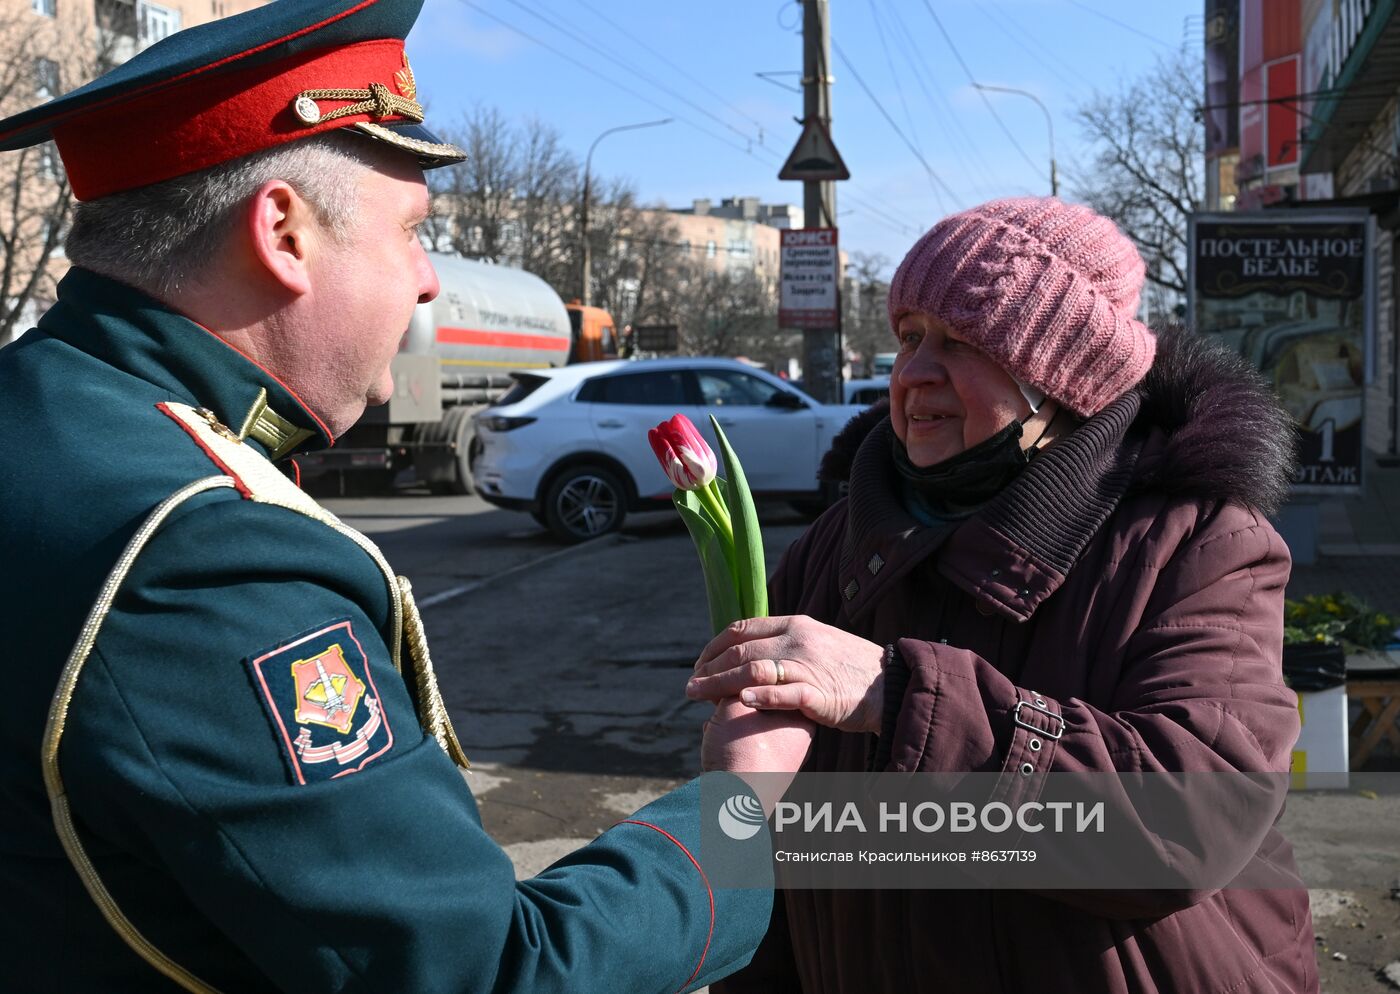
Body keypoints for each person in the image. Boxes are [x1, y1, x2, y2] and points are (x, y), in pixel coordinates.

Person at [0, 1, 813, 990]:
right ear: (284, 232)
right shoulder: (199, 556)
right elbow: (487, 972)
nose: (428, 282)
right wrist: (738, 810)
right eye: (412, 232)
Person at [687, 197, 1319, 993]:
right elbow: (777, 856)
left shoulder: (1196, 544)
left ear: (1061, 381)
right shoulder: (834, 549)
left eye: (964, 342)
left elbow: (1190, 818)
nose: (914, 373)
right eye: (910, 336)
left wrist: (898, 695)